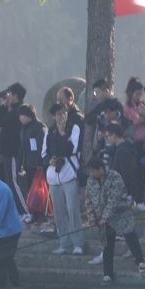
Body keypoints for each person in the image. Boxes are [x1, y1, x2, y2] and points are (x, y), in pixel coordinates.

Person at [84, 156, 145, 280]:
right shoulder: (91, 181)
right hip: (102, 217)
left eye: (93, 171)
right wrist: (92, 218)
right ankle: (107, 273)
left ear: (100, 169)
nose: (91, 174)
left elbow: (113, 200)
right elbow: (88, 200)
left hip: (120, 212)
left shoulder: (115, 177)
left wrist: (105, 217)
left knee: (130, 235)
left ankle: (140, 262)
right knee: (107, 245)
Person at [44, 102, 86, 254]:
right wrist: (50, 160)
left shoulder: (74, 128)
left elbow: (70, 149)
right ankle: (64, 243)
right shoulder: (49, 131)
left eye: (64, 113)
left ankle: (78, 243)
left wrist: (62, 133)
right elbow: (44, 153)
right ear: (53, 116)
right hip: (54, 178)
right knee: (59, 212)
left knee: (72, 210)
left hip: (69, 175)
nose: (61, 116)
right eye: (58, 114)